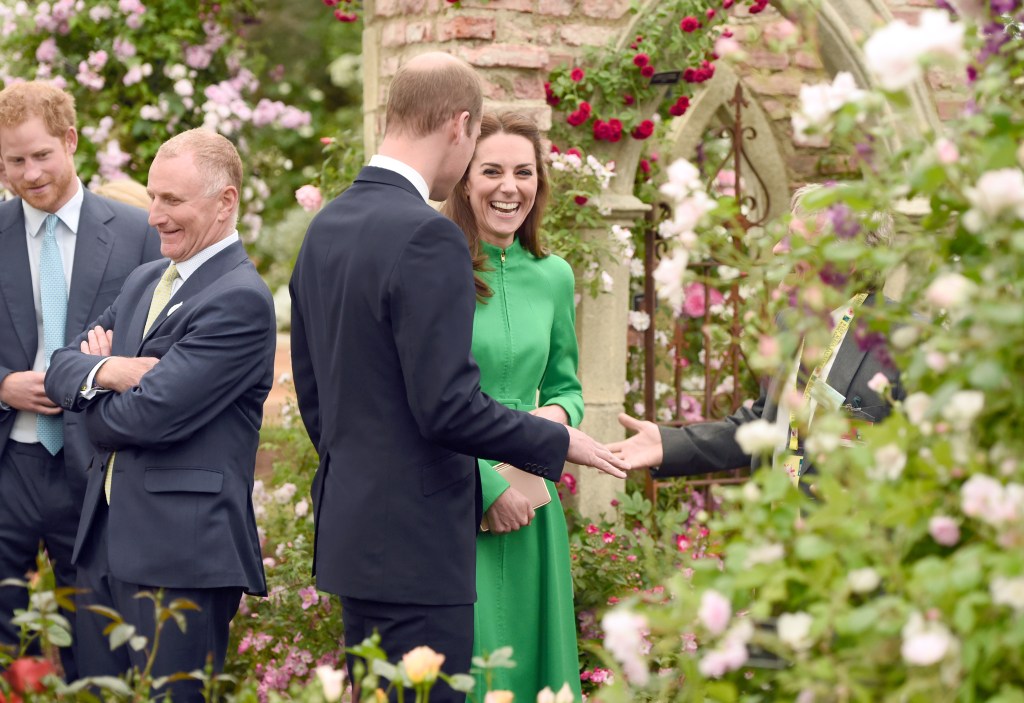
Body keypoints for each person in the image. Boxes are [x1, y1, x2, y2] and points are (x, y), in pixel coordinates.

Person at [289, 53, 627, 703]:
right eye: (479, 150)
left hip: (357, 542)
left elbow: (316, 395)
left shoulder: (327, 226)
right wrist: (557, 442)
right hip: (422, 547)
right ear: (460, 127)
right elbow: (445, 406)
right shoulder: (427, 236)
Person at [43, 128, 274, 702]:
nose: (153, 217)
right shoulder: (148, 279)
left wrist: (90, 398)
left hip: (183, 557)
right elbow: (60, 366)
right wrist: (113, 372)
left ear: (225, 202)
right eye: (152, 197)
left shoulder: (240, 299)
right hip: (102, 546)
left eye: (172, 201)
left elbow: (145, 420)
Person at [0, 81, 161, 677]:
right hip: (7, 464)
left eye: (41, 154)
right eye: (14, 160)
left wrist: (100, 371)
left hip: (96, 467)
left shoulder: (138, 231)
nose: (30, 172)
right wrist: (2, 385)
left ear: (70, 141)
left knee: (97, 652)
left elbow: (156, 345)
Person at [609, 185, 902, 484]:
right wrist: (670, 444)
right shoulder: (791, 323)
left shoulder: (904, 339)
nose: (779, 248)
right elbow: (769, 423)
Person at [440, 112, 584, 701]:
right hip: (458, 494)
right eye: (492, 170)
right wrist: (489, 487)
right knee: (472, 665)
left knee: (531, 663)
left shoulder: (555, 276)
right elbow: (426, 398)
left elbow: (566, 386)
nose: (509, 186)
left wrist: (554, 422)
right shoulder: (439, 270)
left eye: (524, 172)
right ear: (464, 181)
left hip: (534, 501)